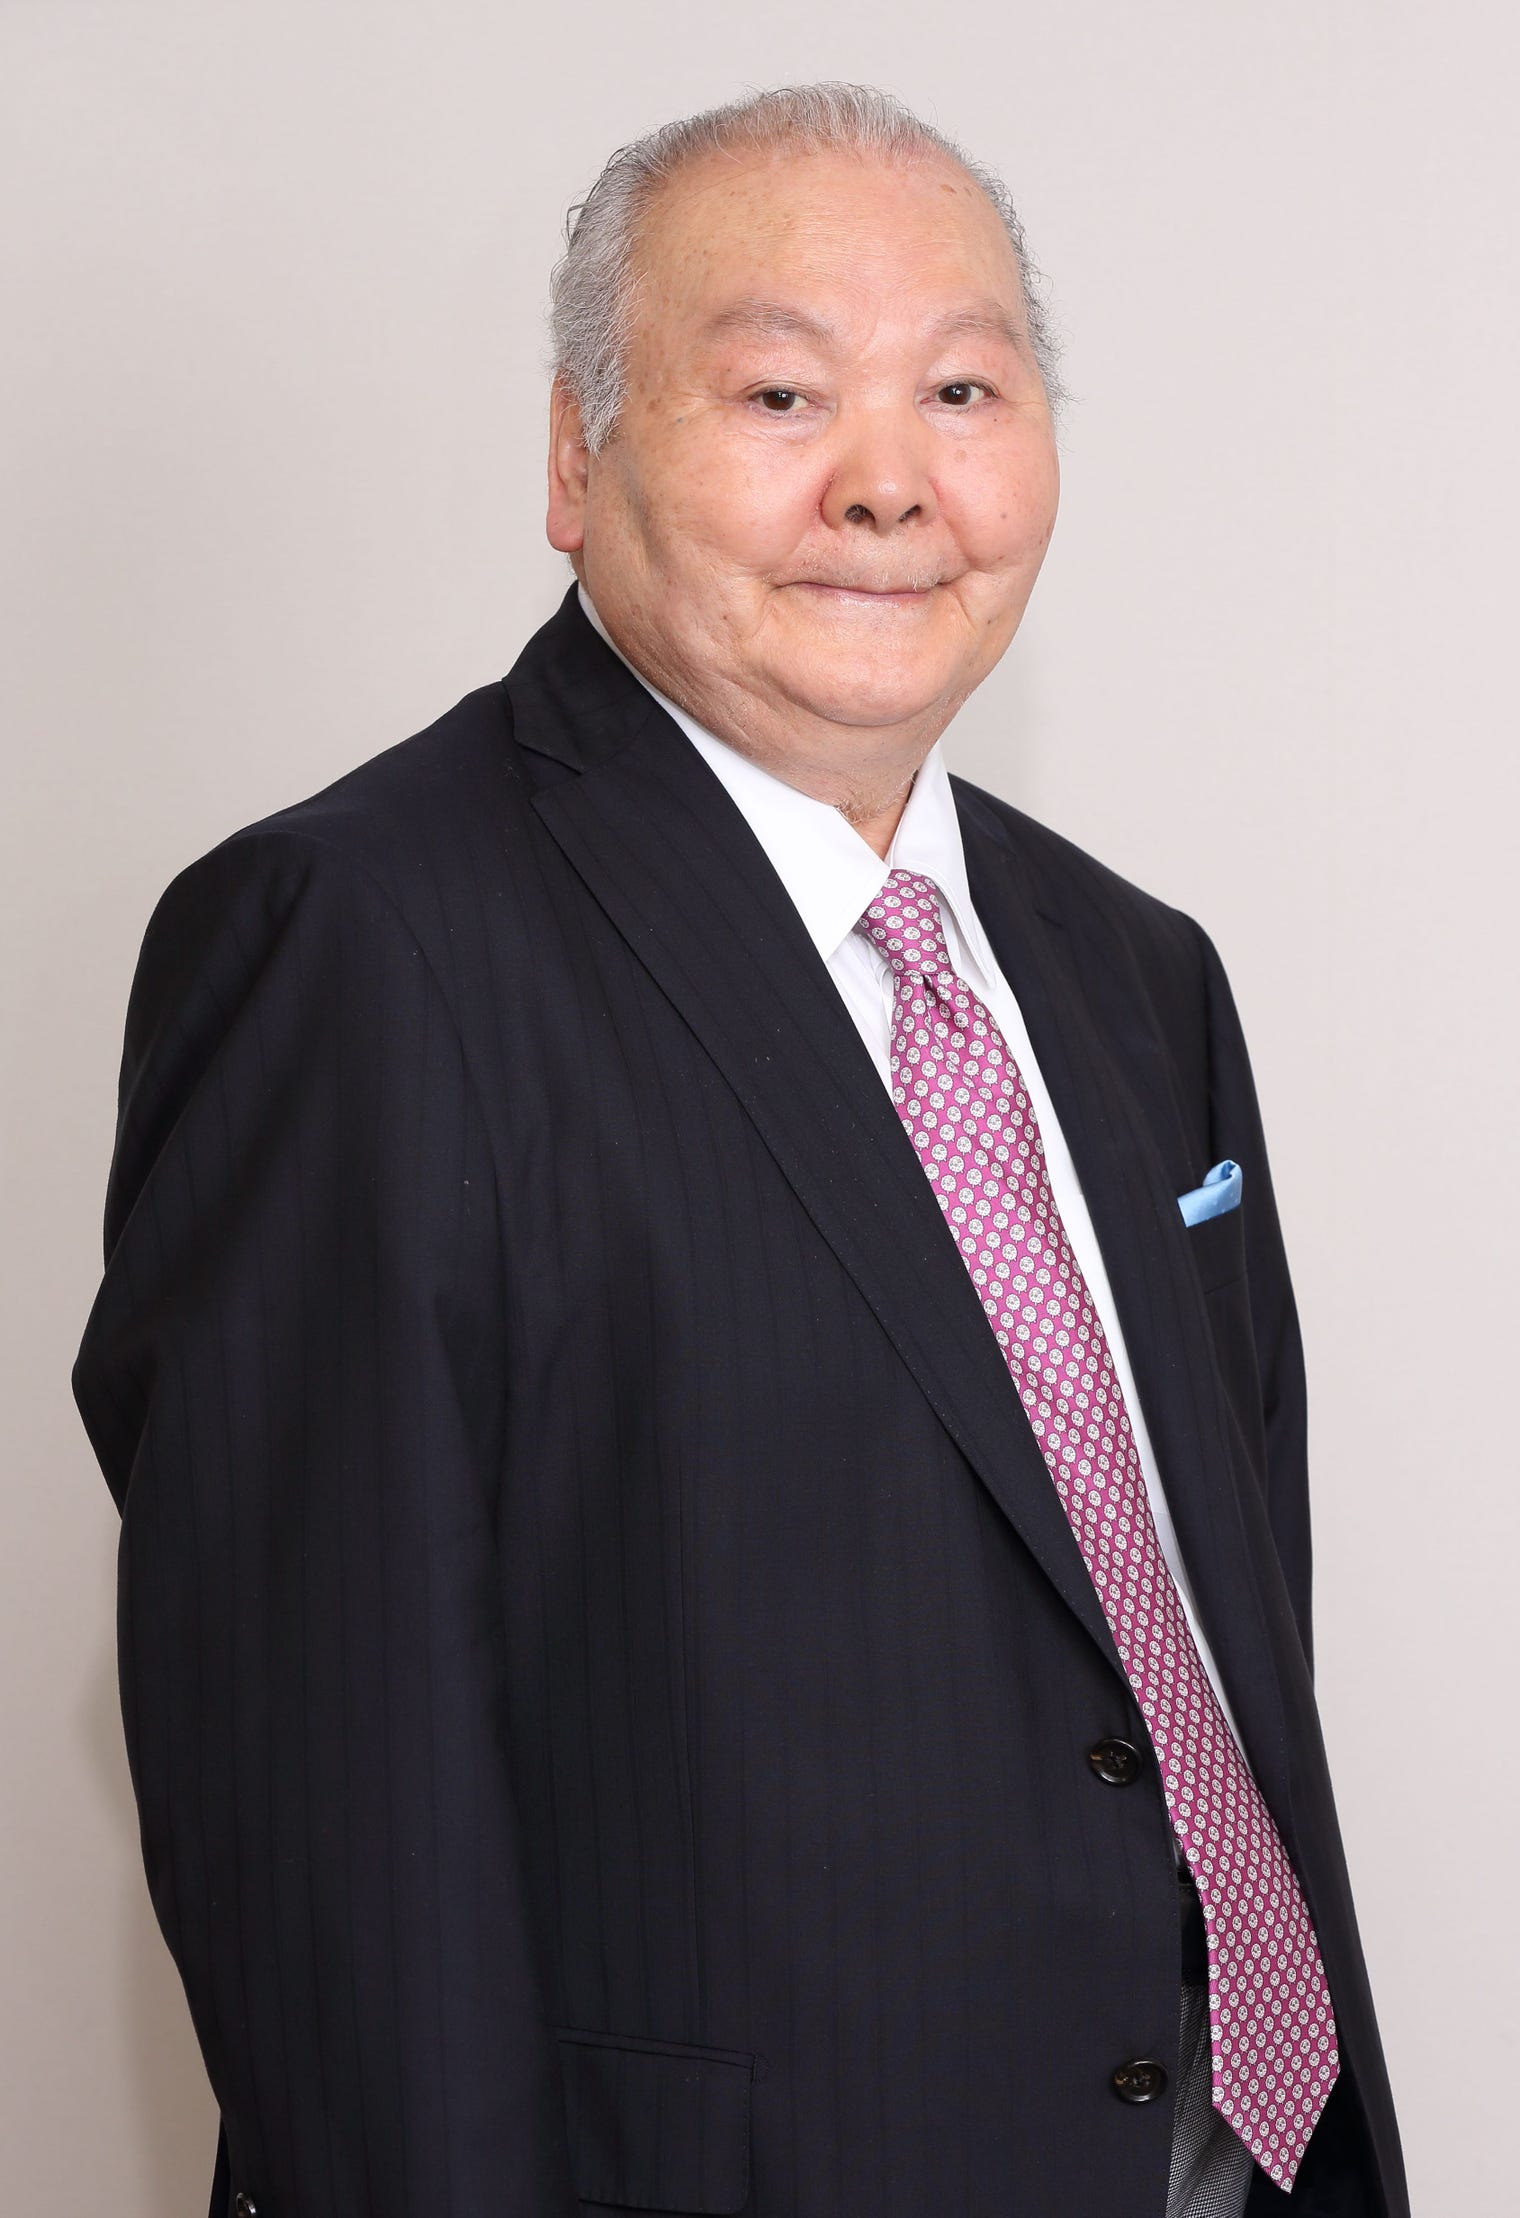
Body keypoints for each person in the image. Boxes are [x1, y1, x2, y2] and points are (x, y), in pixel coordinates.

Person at [72, 82, 1408, 2218]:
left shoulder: (1135, 972)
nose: (888, 479)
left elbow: (1194, 1642)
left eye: (962, 389)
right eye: (784, 391)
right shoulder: (362, 943)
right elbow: (333, 1842)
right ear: (574, 459)